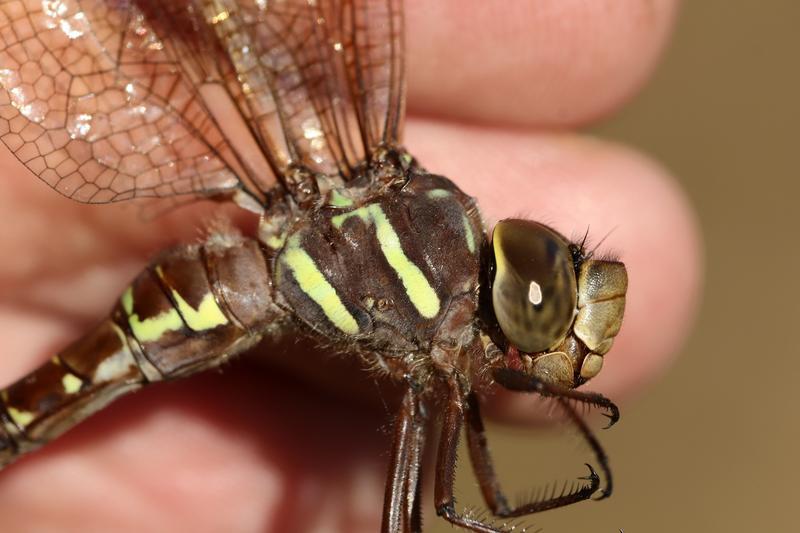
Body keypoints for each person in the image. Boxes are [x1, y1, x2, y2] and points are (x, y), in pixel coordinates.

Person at [0, 1, 699, 531]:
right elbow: (468, 503)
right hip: (218, 289)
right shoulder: (447, 353)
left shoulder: (448, 353)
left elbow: (480, 496)